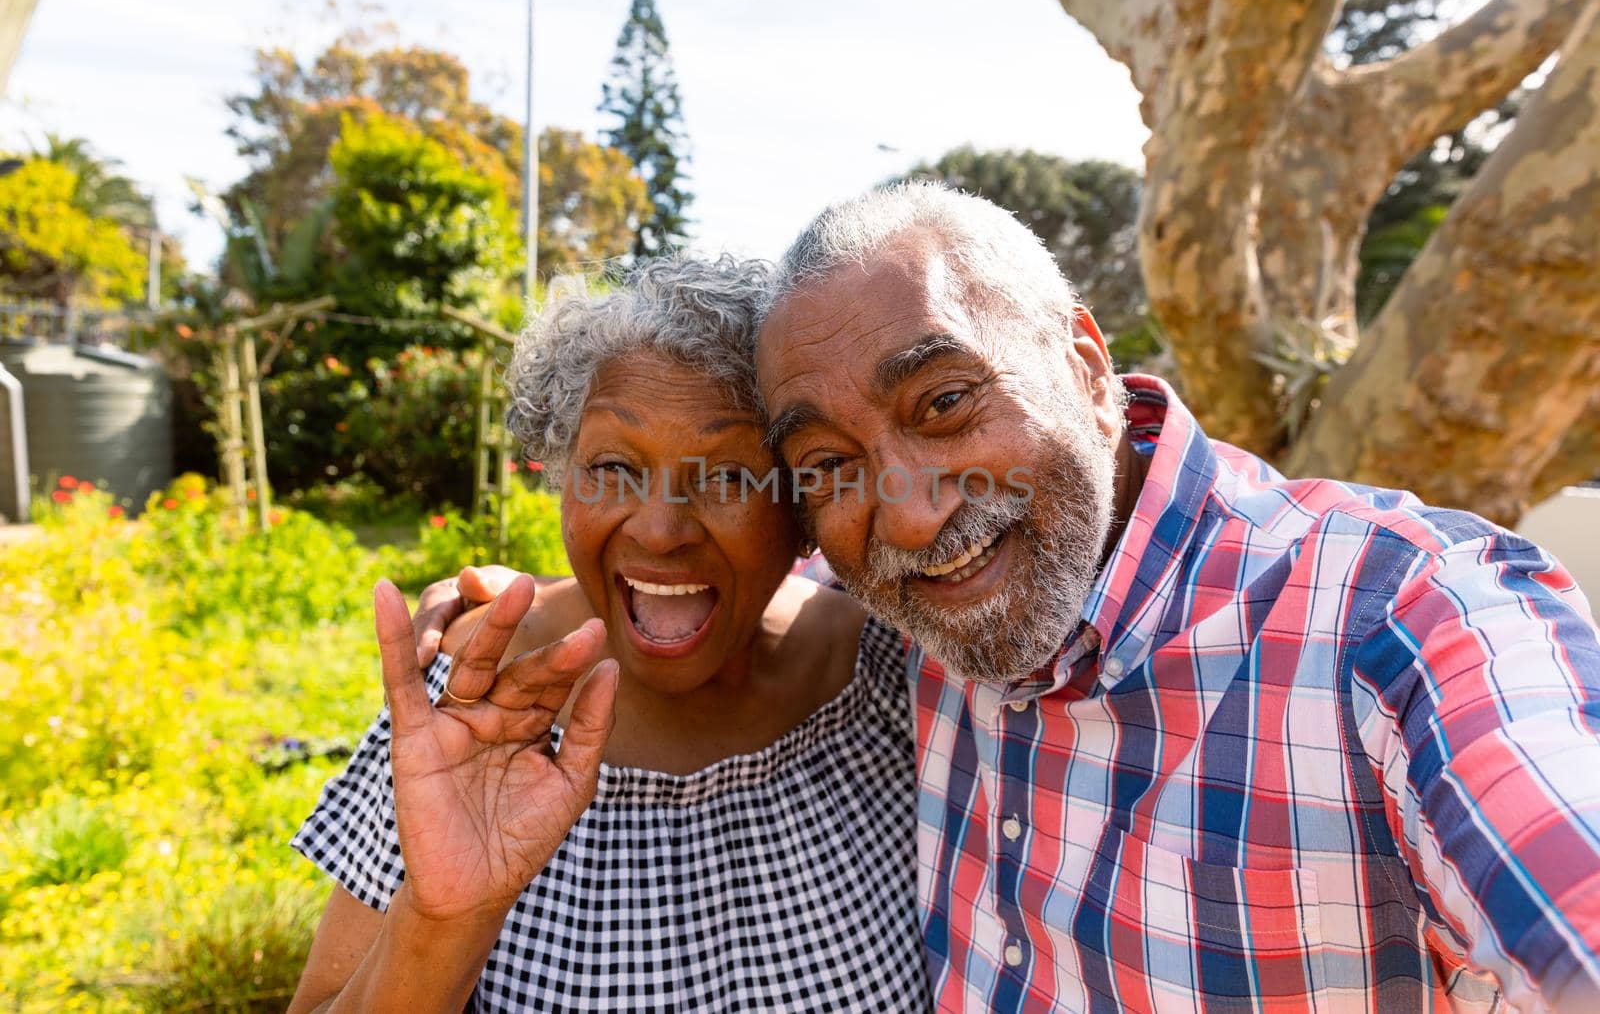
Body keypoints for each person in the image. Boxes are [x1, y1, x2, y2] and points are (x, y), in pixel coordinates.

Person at [425, 182, 1600, 1011]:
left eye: (945, 401)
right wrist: (536, 603)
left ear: (1087, 364)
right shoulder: (920, 623)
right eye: (828, 462)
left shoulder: (1402, 619)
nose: (915, 510)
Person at [287, 256, 932, 1013]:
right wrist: (442, 921)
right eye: (615, 466)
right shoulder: (469, 706)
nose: (659, 529)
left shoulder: (894, 678)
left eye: (728, 477)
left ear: (803, 508)